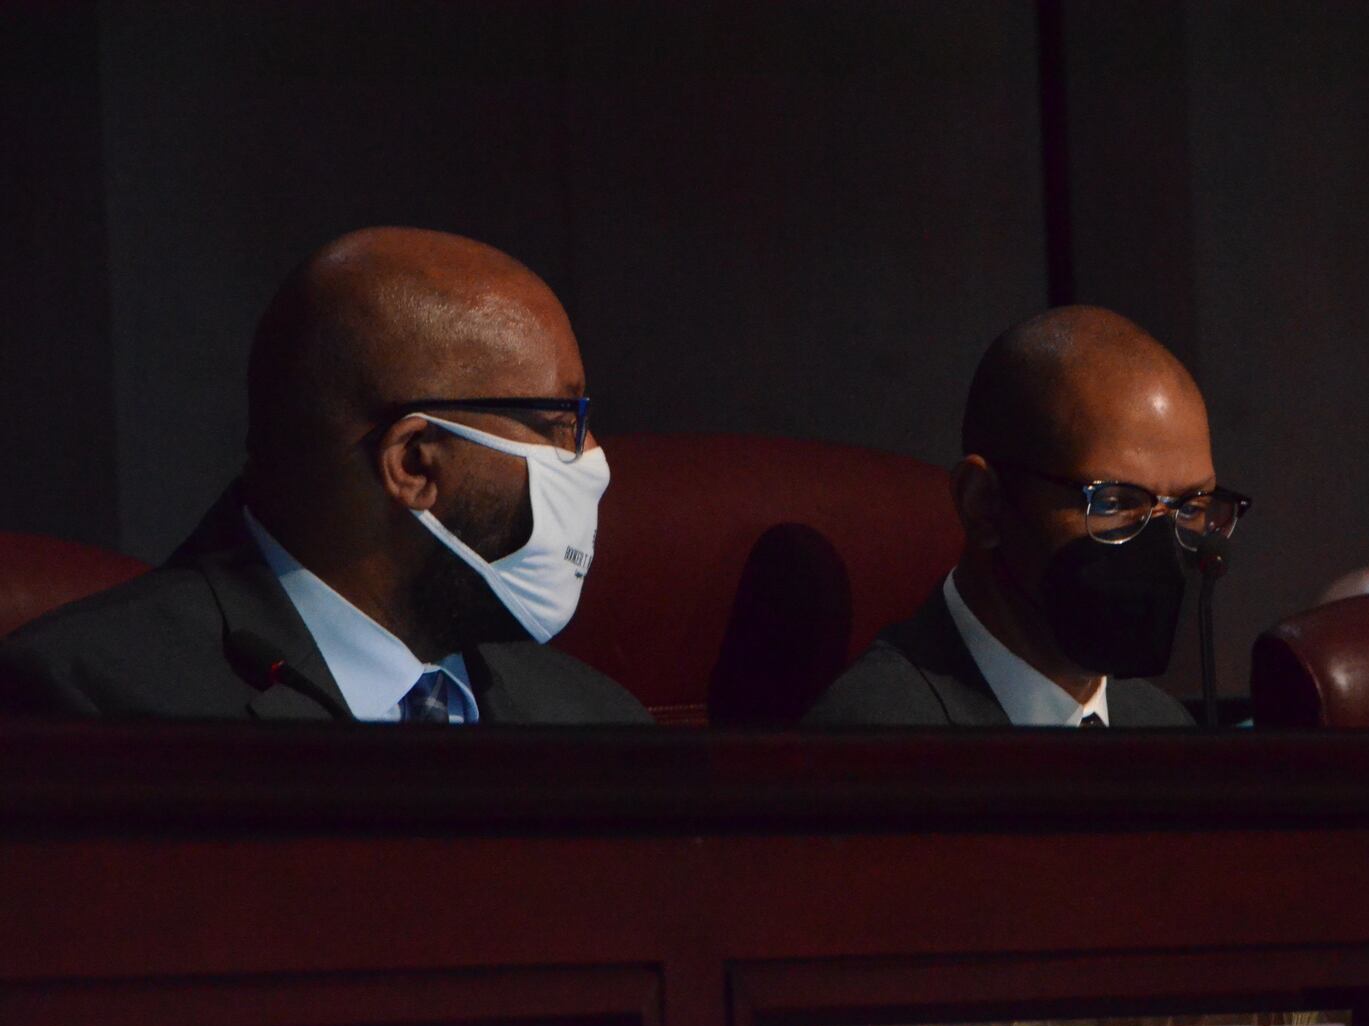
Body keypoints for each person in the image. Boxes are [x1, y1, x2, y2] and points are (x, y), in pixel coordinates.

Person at [0, 227, 649, 724]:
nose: (592, 453)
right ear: (415, 463)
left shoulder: (595, 719)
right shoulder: (92, 704)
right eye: (562, 420)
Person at [806, 306, 1248, 727]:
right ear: (983, 503)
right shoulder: (879, 743)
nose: (1161, 549)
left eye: (1190, 508)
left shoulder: (1160, 727)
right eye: (1113, 502)